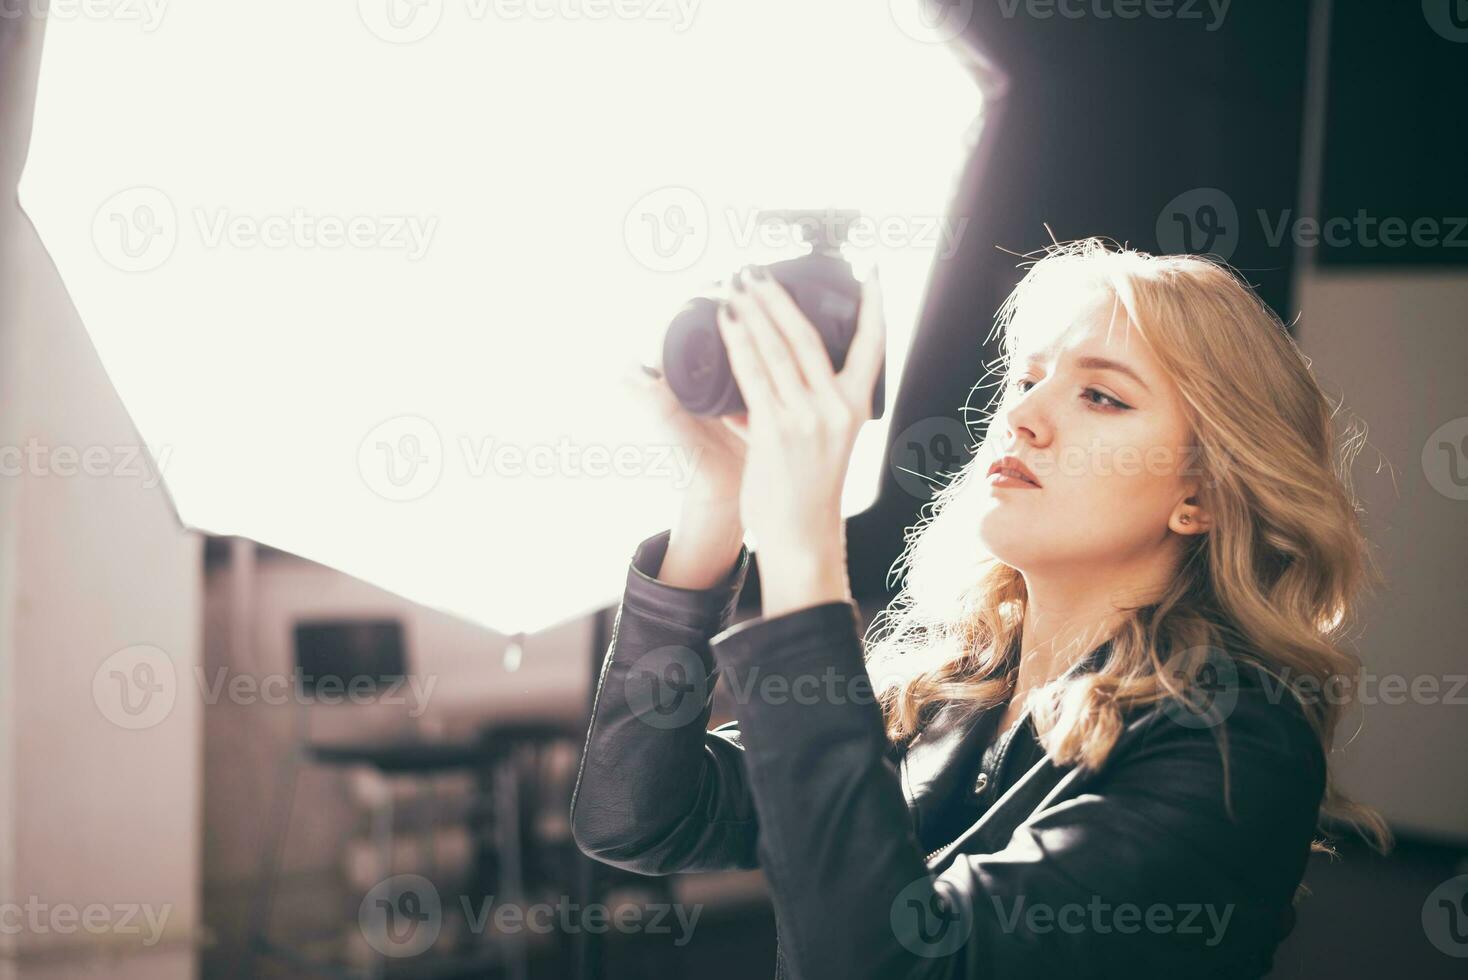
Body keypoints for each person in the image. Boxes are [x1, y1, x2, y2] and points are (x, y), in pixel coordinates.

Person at [571, 239, 1388, 979]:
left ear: (1201, 494)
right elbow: (635, 817)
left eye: (1101, 396)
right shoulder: (940, 692)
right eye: (1027, 380)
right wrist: (720, 498)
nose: (1022, 417)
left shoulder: (1234, 741)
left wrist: (802, 540)